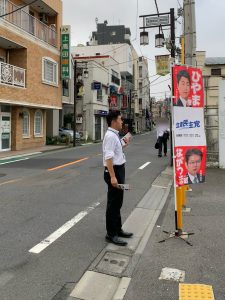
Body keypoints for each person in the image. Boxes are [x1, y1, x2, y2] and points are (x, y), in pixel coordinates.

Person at [103, 110, 133, 246]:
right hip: (114, 171)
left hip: (119, 170)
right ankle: (111, 234)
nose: (122, 122)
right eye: (120, 119)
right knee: (113, 204)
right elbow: (108, 157)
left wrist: (124, 144)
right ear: (114, 121)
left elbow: (115, 152)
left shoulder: (114, 135)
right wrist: (113, 176)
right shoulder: (110, 136)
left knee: (118, 202)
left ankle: (118, 229)